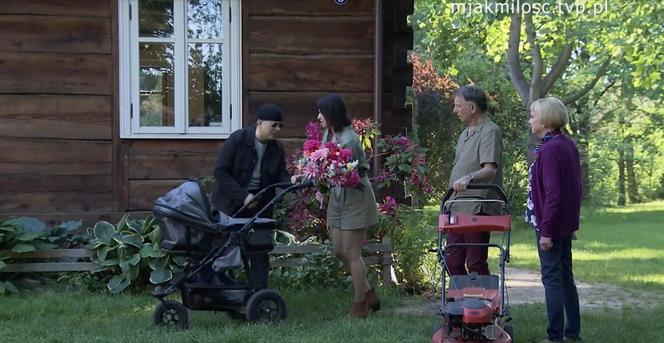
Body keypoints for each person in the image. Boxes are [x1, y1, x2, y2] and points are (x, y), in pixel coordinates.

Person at [211, 103, 290, 290]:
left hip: (261, 208)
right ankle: (221, 292)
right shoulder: (237, 140)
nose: (278, 129)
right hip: (231, 205)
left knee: (260, 252)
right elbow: (220, 172)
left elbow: (281, 176)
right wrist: (243, 196)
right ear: (260, 123)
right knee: (224, 250)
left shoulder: (276, 149)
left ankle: (258, 296)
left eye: (280, 125)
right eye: (274, 125)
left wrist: (294, 180)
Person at [314, 94, 379, 318]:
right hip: (337, 197)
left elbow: (347, 172)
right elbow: (325, 167)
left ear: (332, 113)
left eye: (321, 112)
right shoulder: (328, 134)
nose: (318, 116)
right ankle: (369, 292)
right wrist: (320, 187)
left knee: (351, 253)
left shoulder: (349, 139)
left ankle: (360, 304)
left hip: (355, 199)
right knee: (338, 251)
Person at [526, 97, 582, 343]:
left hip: (551, 225)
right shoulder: (566, 144)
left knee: (552, 279)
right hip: (563, 224)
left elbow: (553, 193)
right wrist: (572, 224)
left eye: (533, 116)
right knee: (565, 277)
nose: (530, 120)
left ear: (546, 121)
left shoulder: (550, 150)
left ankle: (555, 336)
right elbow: (575, 189)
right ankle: (572, 333)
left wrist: (546, 231)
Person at [447, 85, 502, 276]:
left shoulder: (490, 131)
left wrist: (468, 178)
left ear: (472, 108)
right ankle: (459, 302)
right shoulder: (464, 134)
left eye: (458, 106)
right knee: (452, 261)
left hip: (477, 206)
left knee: (475, 262)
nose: (455, 110)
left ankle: (482, 302)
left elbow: (490, 169)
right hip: (456, 205)